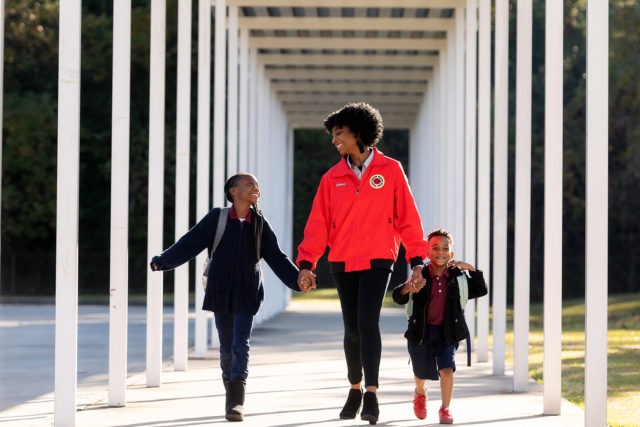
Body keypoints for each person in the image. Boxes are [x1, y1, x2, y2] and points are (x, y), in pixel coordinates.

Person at [296, 102, 428, 425]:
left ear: (358, 132)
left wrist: (416, 260)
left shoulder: (391, 170)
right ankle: (353, 387)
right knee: (352, 329)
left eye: (339, 133)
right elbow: (318, 224)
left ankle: (371, 393)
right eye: (332, 134)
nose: (334, 140)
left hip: (379, 257)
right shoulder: (332, 178)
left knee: (368, 321)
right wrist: (306, 263)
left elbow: (407, 219)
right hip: (341, 260)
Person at [150, 173, 316, 422]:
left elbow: (277, 257)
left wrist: (296, 280)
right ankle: (230, 390)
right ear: (233, 191)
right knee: (227, 347)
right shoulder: (216, 218)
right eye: (249, 183)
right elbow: (190, 243)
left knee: (241, 344)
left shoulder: (259, 223)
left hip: (247, 291)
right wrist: (163, 262)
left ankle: (236, 402)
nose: (255, 187)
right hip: (220, 289)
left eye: (257, 184)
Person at [392, 228, 487, 424]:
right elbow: (398, 297)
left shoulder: (457, 277)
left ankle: (445, 408)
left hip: (447, 333)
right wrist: (408, 287)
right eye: (435, 248)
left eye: (445, 248)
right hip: (422, 332)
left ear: (451, 254)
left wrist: (470, 268)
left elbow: (480, 289)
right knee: (421, 371)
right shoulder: (420, 274)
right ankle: (420, 393)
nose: (440, 252)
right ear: (427, 252)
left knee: (447, 369)